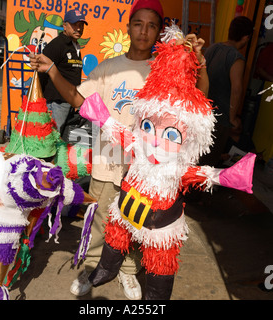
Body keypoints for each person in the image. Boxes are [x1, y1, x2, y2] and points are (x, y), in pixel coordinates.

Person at [30, 0, 209, 300]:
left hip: (147, 173)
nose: (144, 31)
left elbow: (199, 98)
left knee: (141, 227)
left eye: (152, 25)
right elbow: (77, 98)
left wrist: (199, 63)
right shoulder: (108, 69)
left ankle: (127, 272)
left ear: (159, 31)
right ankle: (92, 268)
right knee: (102, 223)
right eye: (138, 23)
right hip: (107, 162)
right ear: (128, 27)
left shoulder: (162, 70)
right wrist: (51, 70)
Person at [199, 16, 254, 167]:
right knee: (208, 163)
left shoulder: (212, 48)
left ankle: (189, 188)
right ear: (245, 38)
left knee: (197, 156)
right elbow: (237, 90)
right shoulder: (236, 58)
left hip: (201, 113)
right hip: (219, 118)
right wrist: (232, 118)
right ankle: (198, 190)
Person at [39, 9, 88, 132]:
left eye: (81, 25)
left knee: (62, 138)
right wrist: (39, 99)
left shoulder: (74, 45)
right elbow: (41, 73)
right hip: (57, 103)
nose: (78, 28)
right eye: (74, 24)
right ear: (65, 26)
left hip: (70, 102)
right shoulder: (57, 45)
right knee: (53, 137)